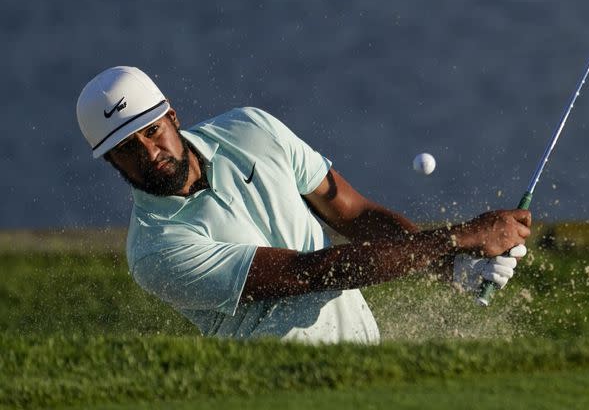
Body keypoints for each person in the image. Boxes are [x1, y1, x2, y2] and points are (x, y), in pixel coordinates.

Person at [76, 66, 532, 344]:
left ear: (171, 117)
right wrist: (457, 239)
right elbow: (310, 273)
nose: (150, 155)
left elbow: (352, 212)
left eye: (153, 132)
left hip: (366, 365)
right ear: (110, 161)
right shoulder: (156, 251)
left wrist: (449, 264)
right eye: (127, 149)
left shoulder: (250, 130)